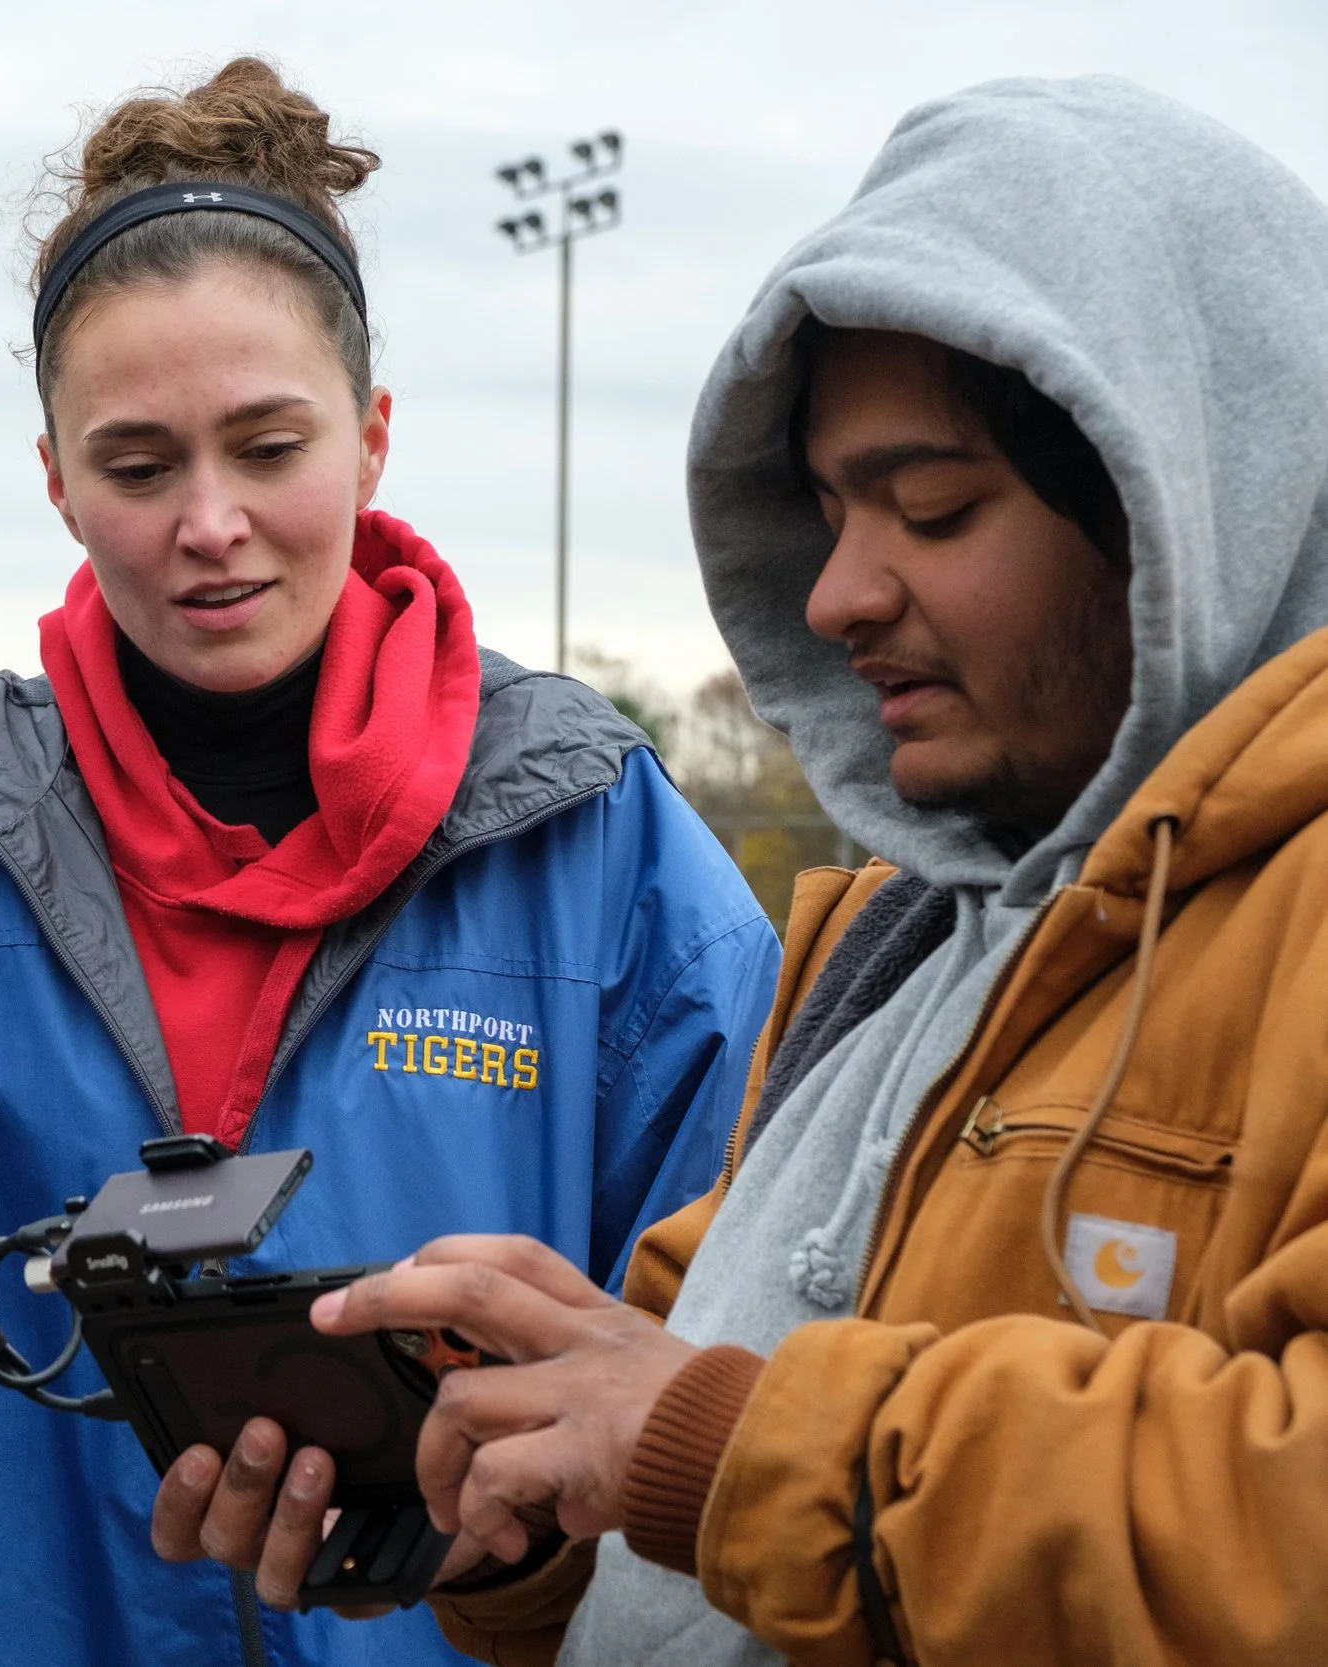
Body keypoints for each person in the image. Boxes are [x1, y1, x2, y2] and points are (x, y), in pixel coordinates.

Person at [0, 58, 780, 1667]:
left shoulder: (606, 845)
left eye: (269, 446)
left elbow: (731, 1371)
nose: (209, 522)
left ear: (370, 439)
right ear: (55, 479)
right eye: (140, 466)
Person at [310, 77, 1328, 1667]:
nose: (844, 590)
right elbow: (678, 1528)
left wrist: (738, 1442)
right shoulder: (888, 945)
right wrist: (476, 1490)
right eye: (835, 509)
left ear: (1184, 501)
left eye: (934, 507)